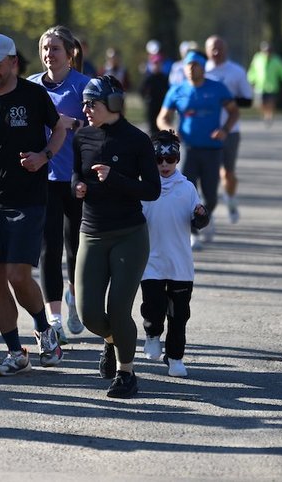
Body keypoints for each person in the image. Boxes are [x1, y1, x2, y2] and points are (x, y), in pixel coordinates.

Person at [0, 33, 66, 376]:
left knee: (17, 274)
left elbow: (60, 129)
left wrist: (44, 156)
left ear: (13, 62)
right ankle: (15, 353)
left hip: (29, 197)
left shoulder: (34, 95)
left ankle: (45, 331)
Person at [73, 76, 160, 398]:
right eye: (84, 103)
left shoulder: (137, 140)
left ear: (112, 105)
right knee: (88, 314)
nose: (85, 109)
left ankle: (127, 373)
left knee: (119, 308)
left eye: (91, 104)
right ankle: (112, 341)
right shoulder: (82, 137)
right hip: (91, 234)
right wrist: (76, 187)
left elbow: (152, 190)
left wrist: (117, 179)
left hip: (129, 235)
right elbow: (74, 174)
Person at [27, 26, 90, 342]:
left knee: (76, 249)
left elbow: (99, 129)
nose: (49, 54)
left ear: (70, 53)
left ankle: (75, 300)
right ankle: (54, 319)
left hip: (78, 180)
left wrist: (72, 123)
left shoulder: (83, 87)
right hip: (44, 178)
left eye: (55, 49)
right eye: (45, 48)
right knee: (48, 248)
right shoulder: (31, 87)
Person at [140, 130, 209, 378]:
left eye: (171, 159)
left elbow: (198, 221)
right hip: (151, 262)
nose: (165, 164)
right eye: (159, 160)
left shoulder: (187, 188)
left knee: (179, 315)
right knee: (154, 307)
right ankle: (151, 333)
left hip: (180, 263)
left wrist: (201, 216)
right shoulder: (145, 188)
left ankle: (176, 357)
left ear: (178, 159)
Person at [157, 50, 239, 248]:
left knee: (210, 196)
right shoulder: (176, 90)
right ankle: (191, 232)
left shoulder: (218, 88)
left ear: (204, 67)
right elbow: (162, 117)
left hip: (212, 149)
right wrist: (171, 130)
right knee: (185, 190)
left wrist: (225, 130)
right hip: (187, 149)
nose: (192, 69)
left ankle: (204, 219)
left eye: (196, 65)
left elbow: (233, 111)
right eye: (188, 65)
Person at [204, 35, 252, 225]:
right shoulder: (201, 70)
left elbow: (248, 101)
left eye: (219, 48)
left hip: (230, 130)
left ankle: (231, 199)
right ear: (206, 50)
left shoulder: (236, 72)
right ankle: (207, 210)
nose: (216, 52)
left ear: (226, 49)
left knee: (227, 173)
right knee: (207, 173)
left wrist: (225, 98)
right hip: (205, 131)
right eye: (212, 48)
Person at [247, 42, 282, 126]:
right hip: (260, 86)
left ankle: (269, 116)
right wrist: (251, 79)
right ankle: (266, 114)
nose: (267, 53)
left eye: (269, 51)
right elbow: (252, 70)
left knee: (271, 102)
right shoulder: (257, 58)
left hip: (272, 86)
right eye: (265, 51)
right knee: (259, 103)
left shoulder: (276, 60)